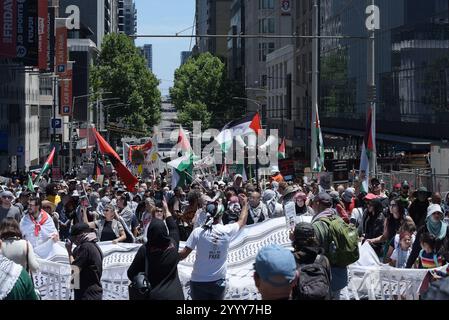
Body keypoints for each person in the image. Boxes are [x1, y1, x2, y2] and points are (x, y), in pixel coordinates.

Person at [179, 194, 249, 300]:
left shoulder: (198, 232)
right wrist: (245, 205)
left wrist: (167, 256)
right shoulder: (227, 230)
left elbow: (183, 254)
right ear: (221, 215)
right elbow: (242, 221)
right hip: (218, 282)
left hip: (198, 281)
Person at [127, 200, 184, 300]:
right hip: (176, 295)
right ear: (164, 231)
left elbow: (131, 273)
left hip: (154, 295)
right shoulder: (173, 244)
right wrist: (166, 210)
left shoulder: (145, 250)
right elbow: (173, 228)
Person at [311, 192, 348, 300]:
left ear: (317, 203)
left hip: (325, 277)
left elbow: (312, 250)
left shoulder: (318, 224)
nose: (311, 206)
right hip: (340, 273)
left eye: (313, 203)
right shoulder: (338, 219)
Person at [290, 222, 331, 300]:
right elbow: (329, 282)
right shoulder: (323, 259)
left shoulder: (290, 260)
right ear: (314, 237)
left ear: (295, 238)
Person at [65, 223, 103, 300]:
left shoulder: (86, 247)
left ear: (81, 234)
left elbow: (75, 269)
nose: (74, 242)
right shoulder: (94, 246)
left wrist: (69, 252)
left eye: (75, 238)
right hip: (94, 293)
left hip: (87, 294)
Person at [406, 204, 449, 268]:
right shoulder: (423, 230)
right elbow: (415, 251)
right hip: (425, 266)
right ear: (429, 215)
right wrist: (407, 268)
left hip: (442, 268)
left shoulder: (446, 229)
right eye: (434, 213)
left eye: (438, 213)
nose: (436, 215)